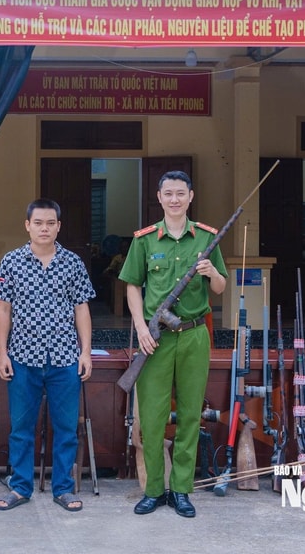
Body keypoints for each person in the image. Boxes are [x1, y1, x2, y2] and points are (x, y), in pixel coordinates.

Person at [118, 170, 227, 518]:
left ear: (191, 196)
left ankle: (181, 489)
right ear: (160, 197)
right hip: (155, 339)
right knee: (151, 418)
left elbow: (221, 288)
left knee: (191, 416)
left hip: (194, 335)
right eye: (169, 193)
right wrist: (140, 327)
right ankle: (153, 489)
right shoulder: (146, 239)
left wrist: (212, 273)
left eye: (181, 193)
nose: (175, 199)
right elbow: (132, 285)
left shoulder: (206, 238)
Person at [0, 198, 95, 512]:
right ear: (27, 225)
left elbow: (82, 309)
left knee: (65, 428)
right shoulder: (11, 262)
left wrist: (86, 352)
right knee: (21, 428)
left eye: (50, 223)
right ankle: (21, 487)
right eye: (38, 223)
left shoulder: (73, 263)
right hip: (23, 357)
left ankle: (64, 488)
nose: (44, 228)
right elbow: (3, 309)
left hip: (64, 358)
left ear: (58, 226)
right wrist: (2, 353)